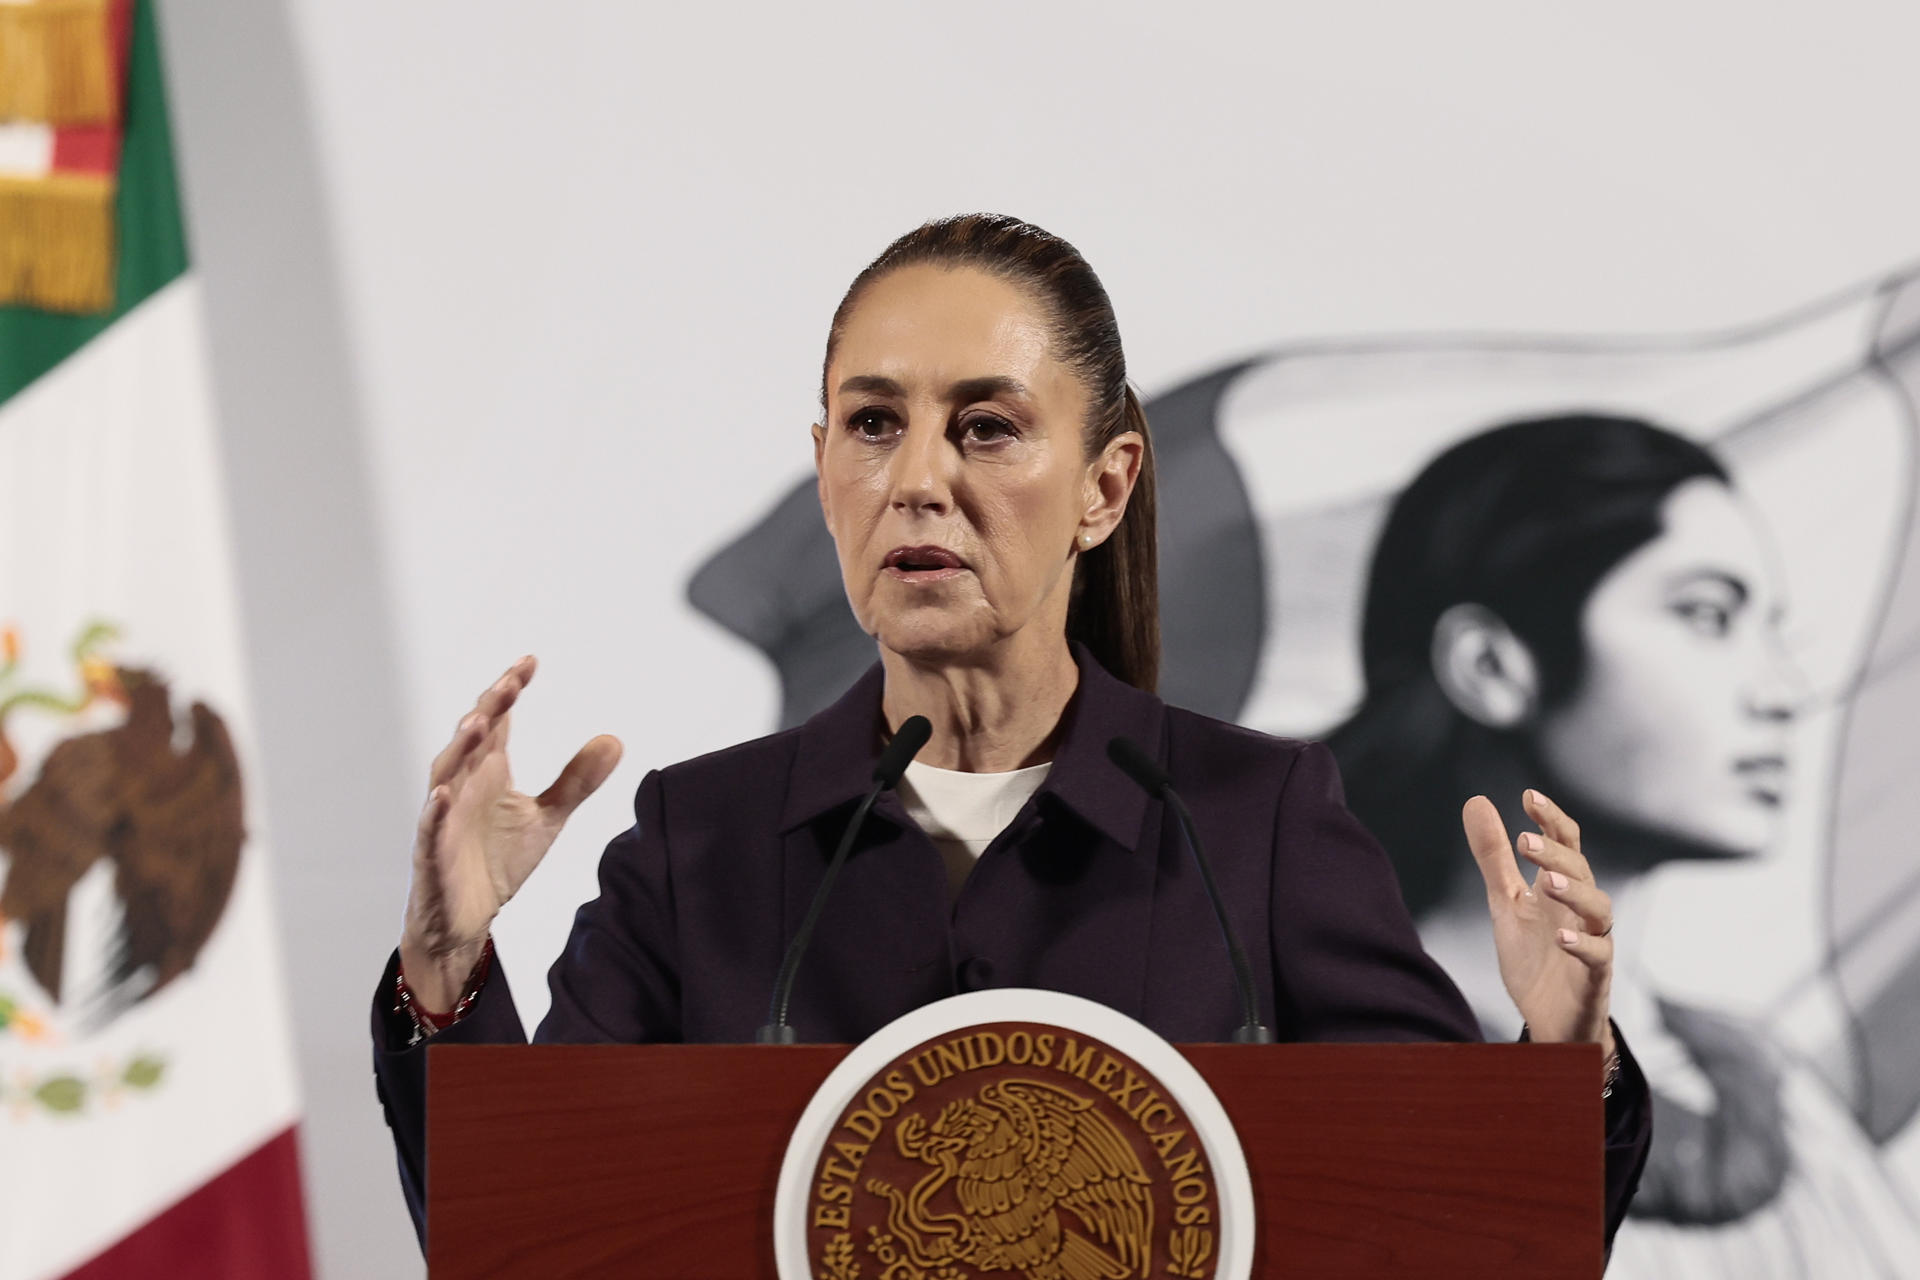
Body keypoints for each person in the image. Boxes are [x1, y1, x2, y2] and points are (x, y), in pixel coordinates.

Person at [371, 215, 1652, 1250]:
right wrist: (448, 972)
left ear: (1106, 486)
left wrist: (1561, 1063)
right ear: (824, 466)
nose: (919, 476)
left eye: (985, 425)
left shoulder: (1254, 825)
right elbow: (526, 1239)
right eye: (874, 423)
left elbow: (1458, 1240)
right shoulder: (697, 840)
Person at [1329, 414, 1920, 1276]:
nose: (1785, 692)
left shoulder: (1772, 1090)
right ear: (1492, 666)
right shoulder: (1334, 1071)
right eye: (1708, 615)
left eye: (1772, 631)